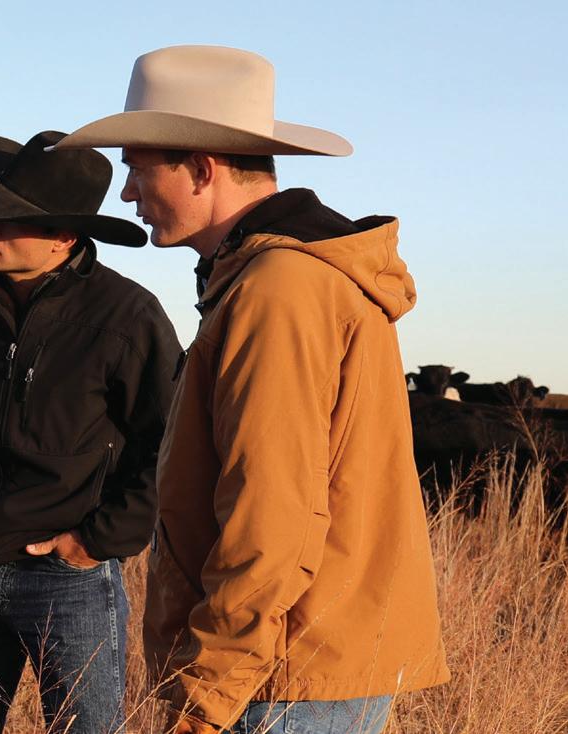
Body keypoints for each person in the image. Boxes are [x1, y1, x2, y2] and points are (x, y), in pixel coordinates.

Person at [53, 45, 449, 733]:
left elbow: (272, 512)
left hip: (278, 677)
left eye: (137, 169)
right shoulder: (279, 279)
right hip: (297, 664)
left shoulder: (277, 289)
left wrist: (208, 691)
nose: (126, 194)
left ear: (202, 169)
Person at [0, 130, 180, 733]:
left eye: (11, 220)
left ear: (64, 238)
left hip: (68, 577)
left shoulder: (127, 315)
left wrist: (95, 541)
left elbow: (169, 442)